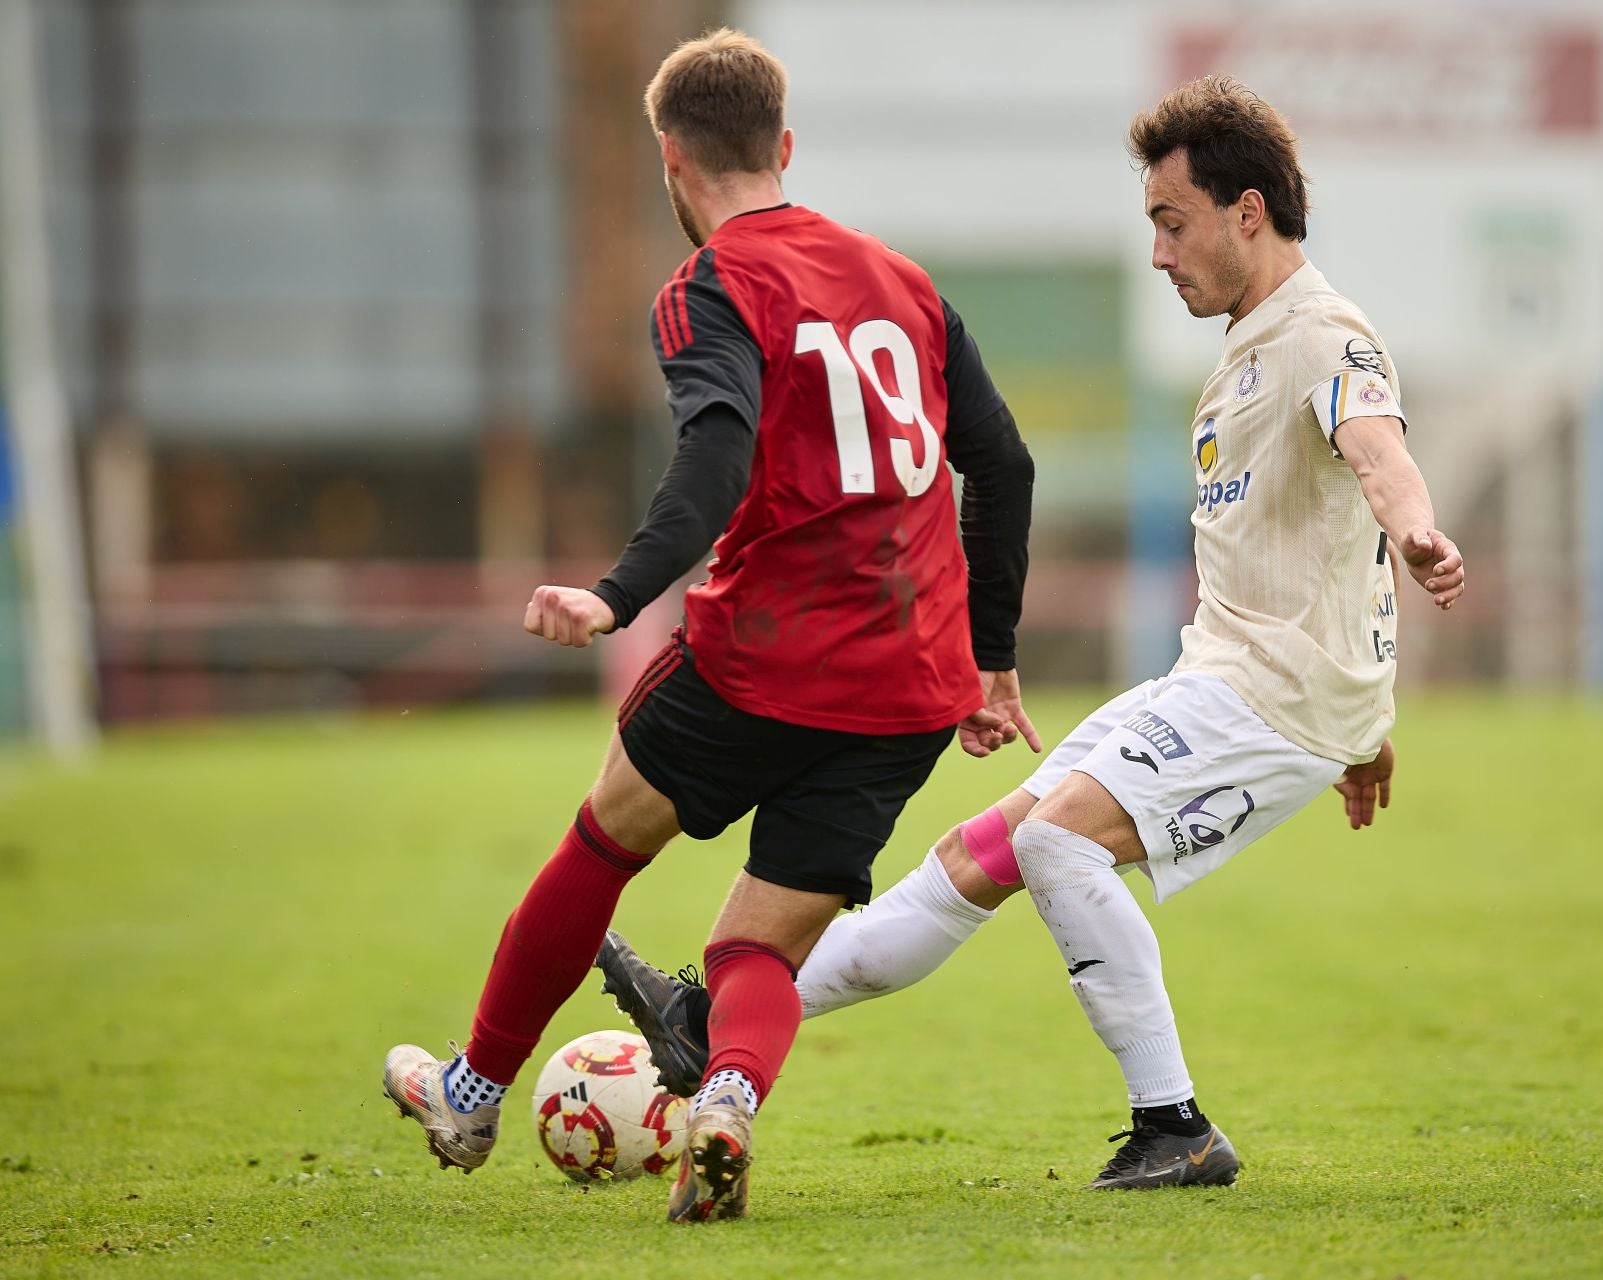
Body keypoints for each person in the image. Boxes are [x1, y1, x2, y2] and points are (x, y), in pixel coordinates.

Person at [600, 74, 1465, 1191]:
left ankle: (1177, 1126)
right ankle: (714, 1018)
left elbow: (1379, 455)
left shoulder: (1326, 336)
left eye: (1172, 220)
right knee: (978, 856)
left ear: (1248, 212)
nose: (1158, 253)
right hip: (1232, 679)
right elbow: (1312, 552)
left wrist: (1420, 531)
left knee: (1058, 840)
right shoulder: (1250, 348)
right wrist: (1366, 719)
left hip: (1268, 701)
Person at [381, 27, 1037, 1224]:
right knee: (755, 948)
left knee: (603, 841)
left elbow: (719, 448)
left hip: (769, 653)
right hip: (913, 681)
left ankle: (469, 1091)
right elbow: (1003, 463)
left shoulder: (713, 283)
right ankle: (727, 1099)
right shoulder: (908, 282)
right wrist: (992, 659)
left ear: (670, 163)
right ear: (784, 146)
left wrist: (616, 593)